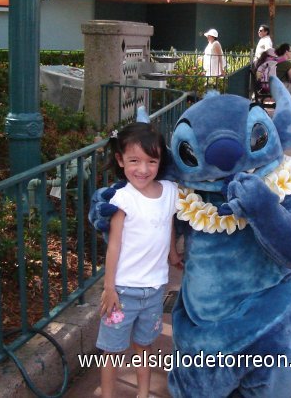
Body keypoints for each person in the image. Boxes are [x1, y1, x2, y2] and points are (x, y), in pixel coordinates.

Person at [97, 122, 183, 398]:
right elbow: (114, 246)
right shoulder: (122, 199)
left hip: (155, 289)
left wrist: (171, 253)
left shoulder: (170, 191)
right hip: (122, 292)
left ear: (160, 162)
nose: (143, 169)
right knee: (111, 351)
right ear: (121, 160)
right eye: (134, 161)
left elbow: (168, 222)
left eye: (151, 161)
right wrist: (109, 288)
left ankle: (143, 393)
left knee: (144, 347)